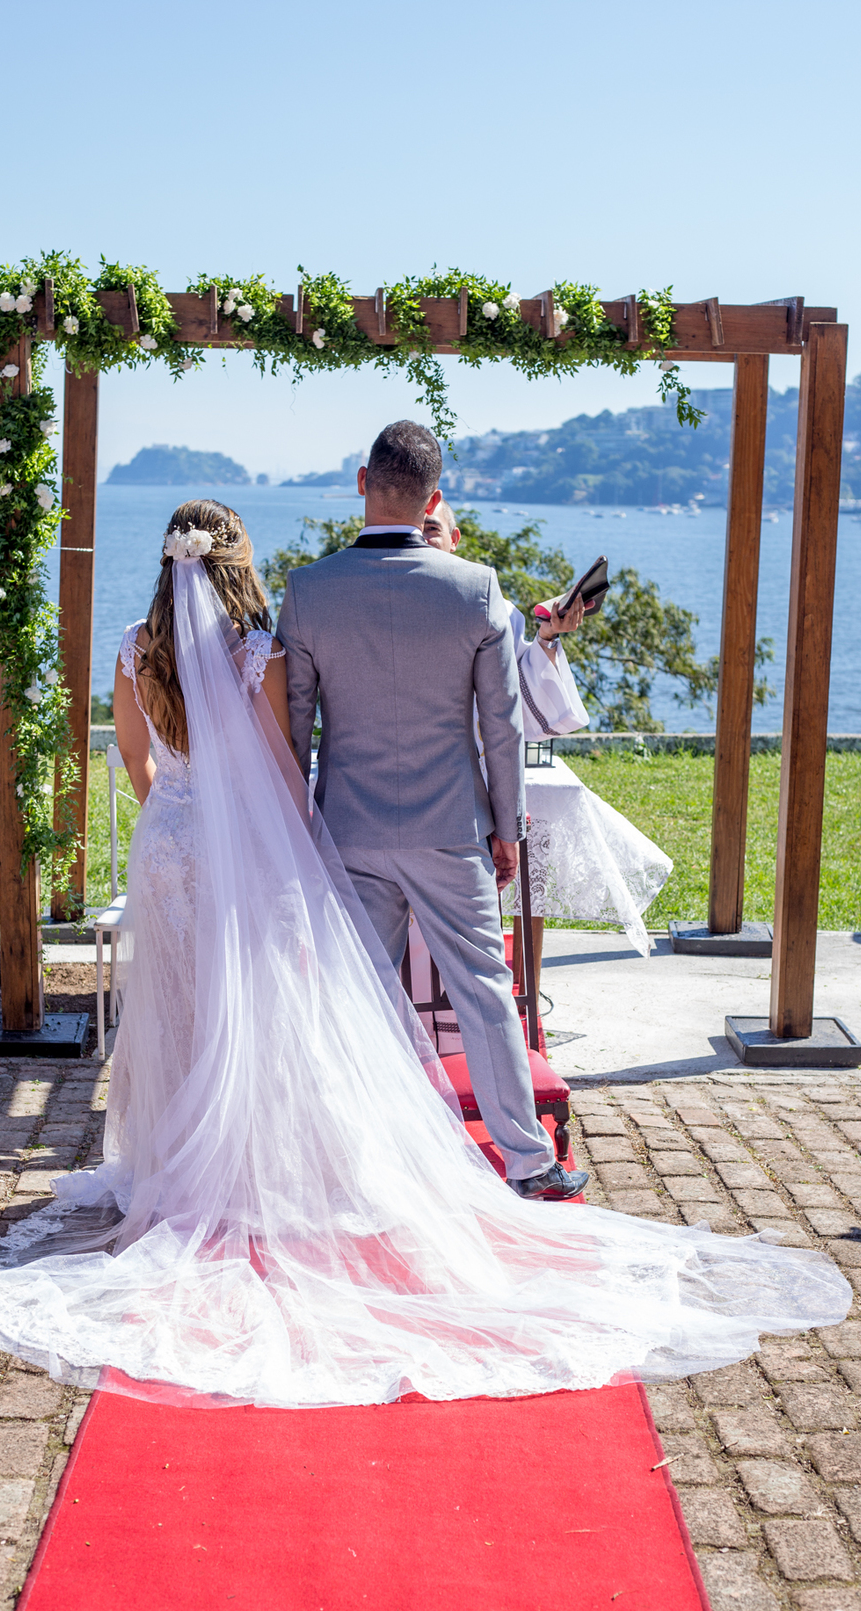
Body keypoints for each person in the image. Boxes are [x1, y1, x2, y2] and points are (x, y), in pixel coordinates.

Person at [0, 480, 850, 1410]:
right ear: (237, 563)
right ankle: (259, 1175)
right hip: (242, 853)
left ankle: (170, 1174)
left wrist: (180, 804)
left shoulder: (135, 652)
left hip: (167, 845)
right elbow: (284, 774)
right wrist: (300, 863)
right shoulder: (260, 654)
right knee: (253, 1009)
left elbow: (134, 768)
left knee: (175, 1002)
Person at [279, 424, 582, 1204]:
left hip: (347, 829)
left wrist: (297, 831)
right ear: (433, 499)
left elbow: (294, 729)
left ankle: (353, 1159)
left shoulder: (308, 590)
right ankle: (527, 1162)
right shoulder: (476, 589)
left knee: (360, 997)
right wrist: (506, 830)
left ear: (360, 482)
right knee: (485, 990)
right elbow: (501, 730)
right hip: (450, 831)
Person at [424, 500, 673, 996]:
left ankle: (509, 998)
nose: (425, 536)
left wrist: (548, 634)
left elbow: (529, 711)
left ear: (456, 539)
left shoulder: (495, 609)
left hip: (470, 785)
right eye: (418, 527)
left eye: (433, 528)